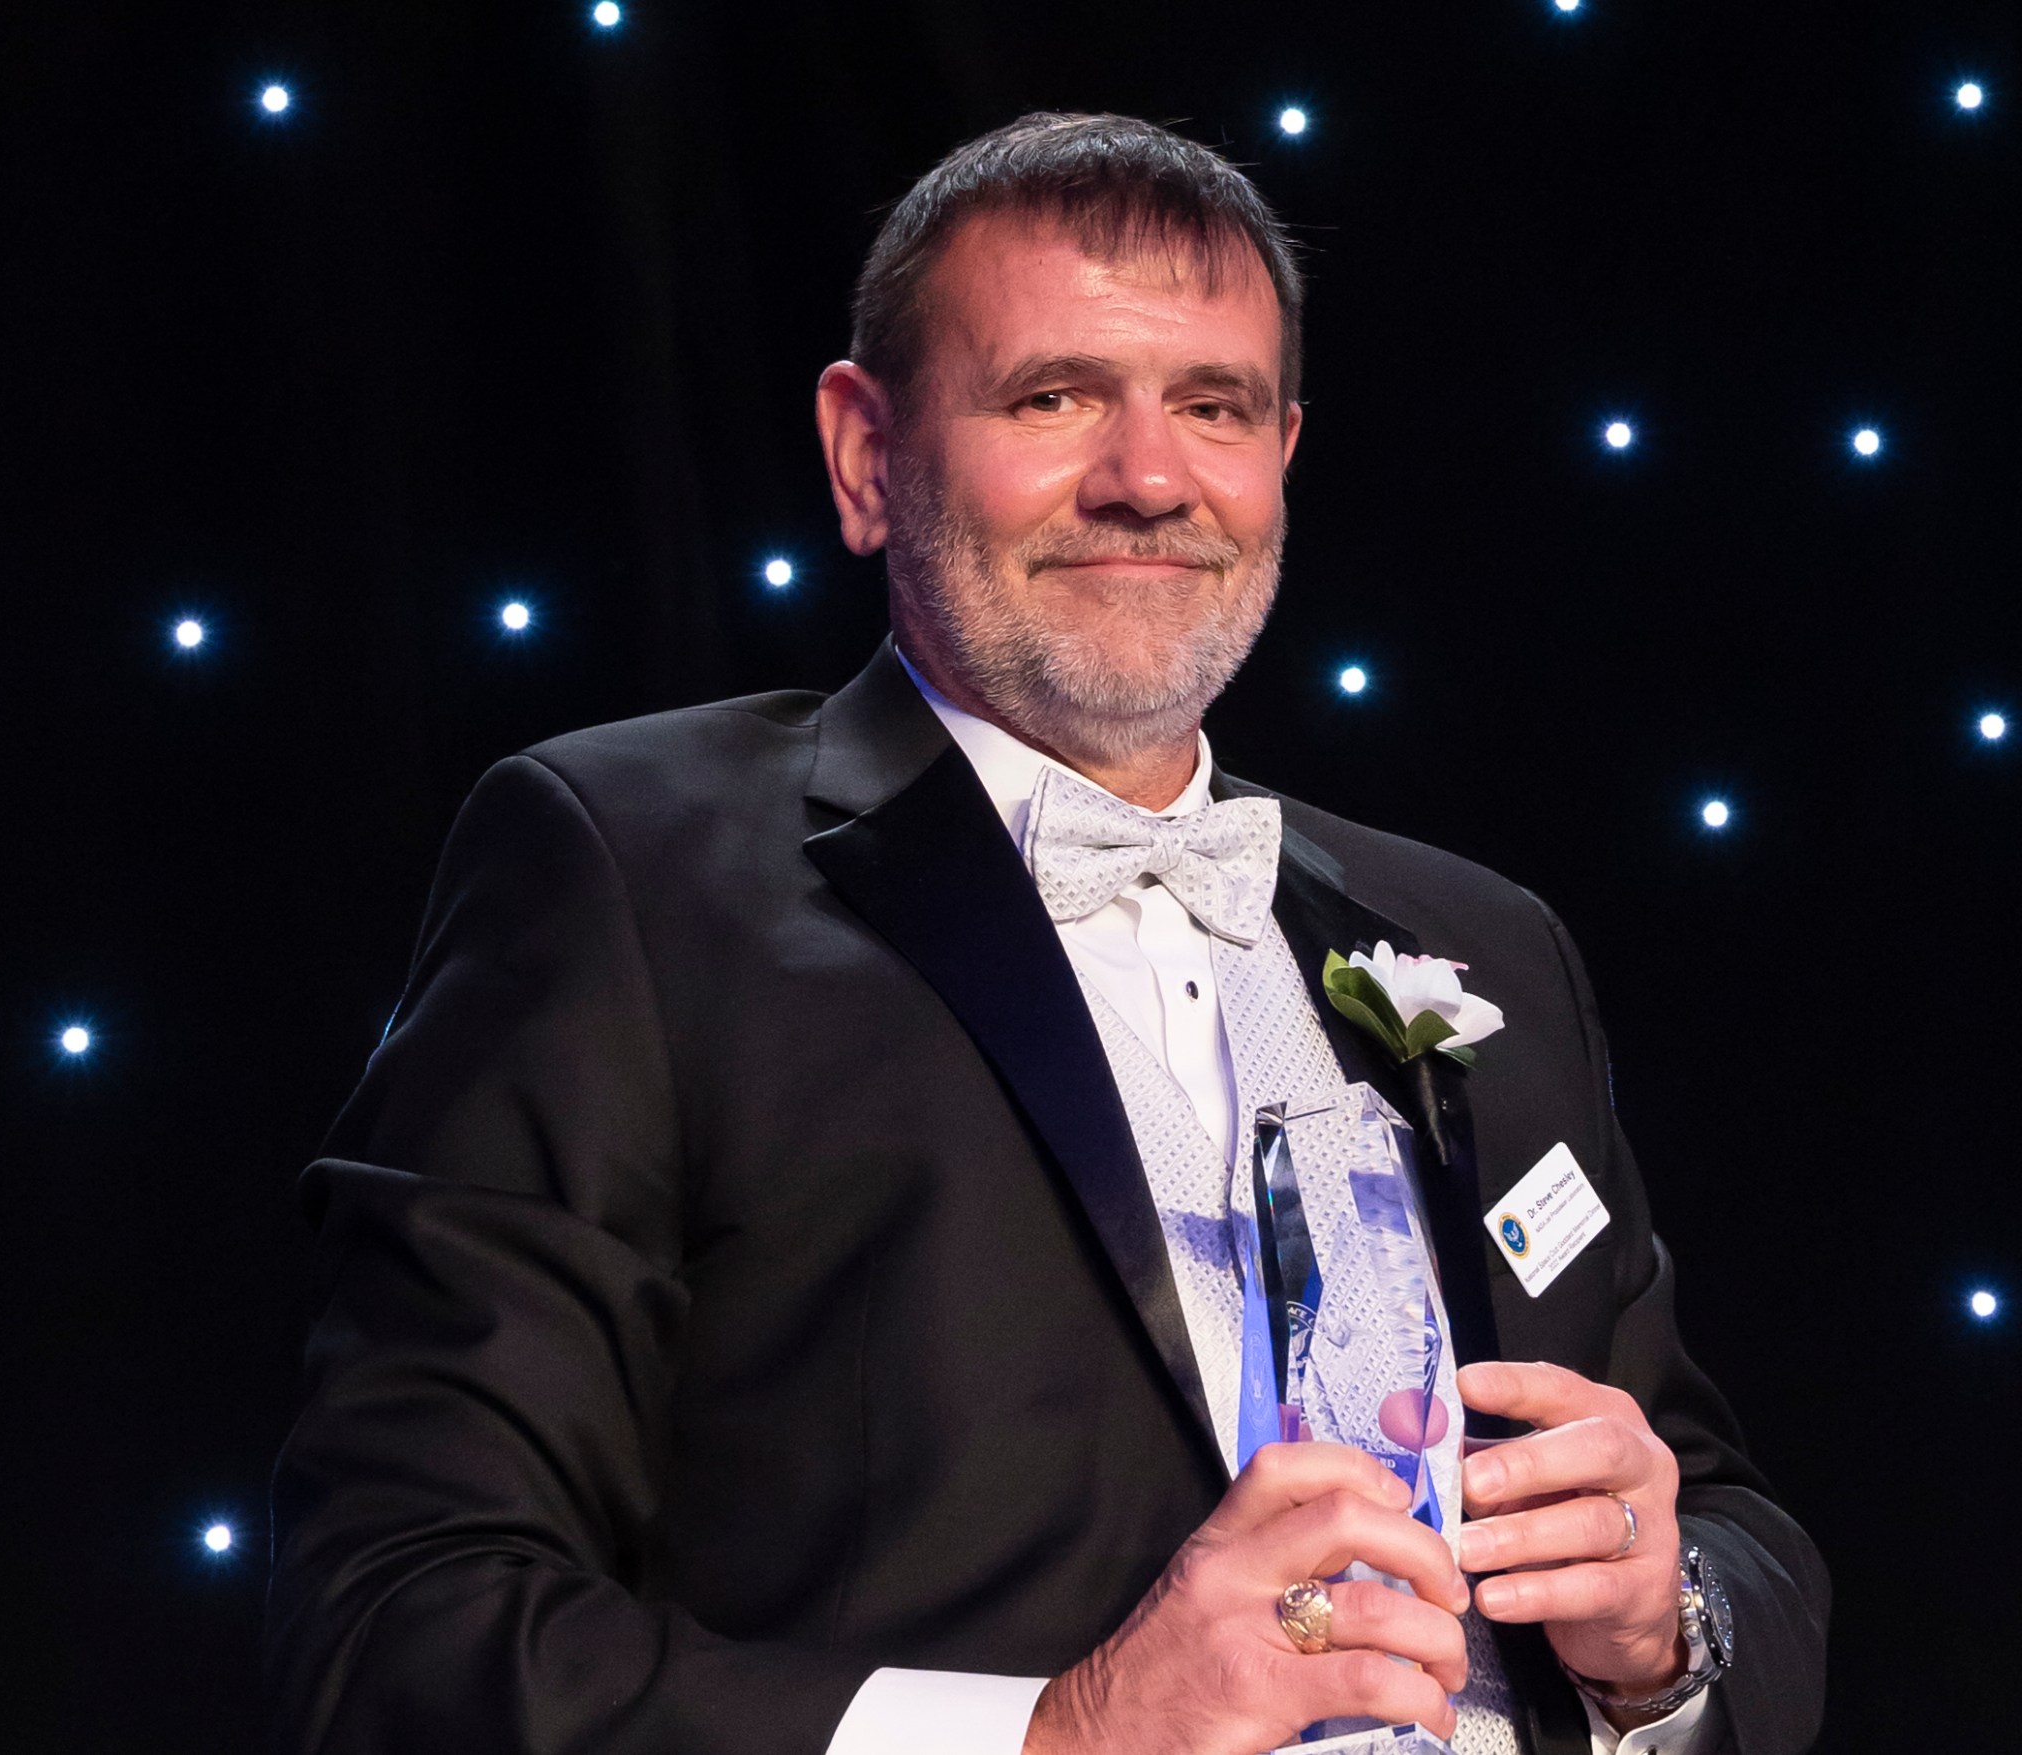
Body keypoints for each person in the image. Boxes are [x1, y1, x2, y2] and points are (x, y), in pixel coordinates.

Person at [266, 114, 1827, 1755]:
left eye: (1211, 407)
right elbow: (401, 1622)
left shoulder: (1483, 938)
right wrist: (1062, 1733)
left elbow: (1726, 1513)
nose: (1148, 479)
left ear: (1282, 457)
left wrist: (1670, 1630)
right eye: (1055, 396)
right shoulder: (628, 869)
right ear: (868, 456)